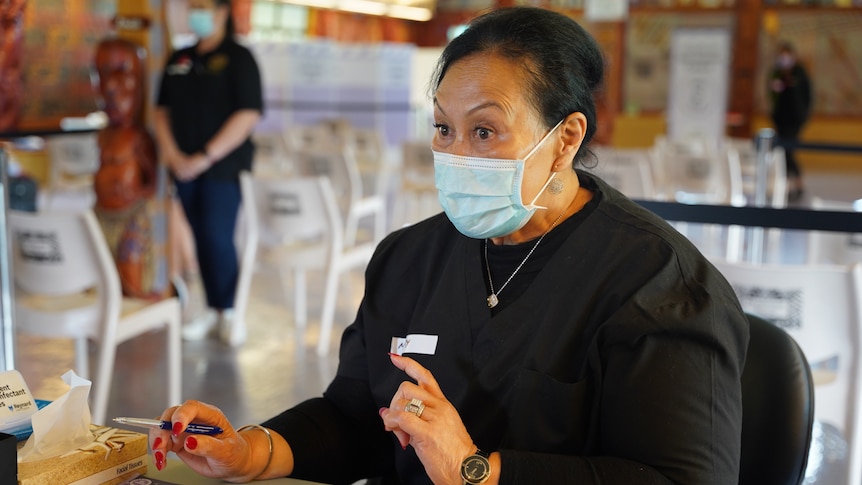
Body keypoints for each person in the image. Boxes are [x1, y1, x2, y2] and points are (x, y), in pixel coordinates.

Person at [151, 7, 748, 484]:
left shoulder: (658, 286)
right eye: (443, 128)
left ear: (565, 139)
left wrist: (475, 470)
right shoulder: (408, 260)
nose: (457, 154)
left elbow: (678, 475)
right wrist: (251, 450)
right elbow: (355, 418)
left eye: (484, 131)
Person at [153, 0, 262, 346]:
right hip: (182, 168)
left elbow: (247, 115)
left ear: (221, 12)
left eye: (203, 6)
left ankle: (229, 311)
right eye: (192, 6)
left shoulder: (239, 58)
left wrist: (204, 156)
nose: (196, 13)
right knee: (199, 237)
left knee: (217, 236)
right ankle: (211, 309)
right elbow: (161, 111)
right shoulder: (180, 59)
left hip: (222, 167)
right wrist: (172, 155)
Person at [93, 37, 163, 299]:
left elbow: (151, 181)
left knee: (131, 270)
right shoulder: (104, 134)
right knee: (99, 274)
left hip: (130, 214)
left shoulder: (138, 138)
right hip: (102, 215)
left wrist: (136, 197)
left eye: (122, 75)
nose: (111, 88)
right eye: (102, 75)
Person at [768, 41, 811, 202]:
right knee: (783, 152)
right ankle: (788, 186)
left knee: (789, 151)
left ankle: (798, 184)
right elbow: (771, 93)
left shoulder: (800, 73)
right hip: (780, 118)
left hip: (795, 119)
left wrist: (803, 115)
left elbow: (807, 97)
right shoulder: (776, 73)